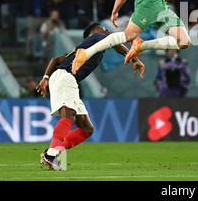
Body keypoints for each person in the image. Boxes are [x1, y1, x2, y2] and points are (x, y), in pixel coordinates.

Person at [36, 22, 145, 170]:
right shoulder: (96, 36)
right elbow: (114, 41)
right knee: (68, 117)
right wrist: (134, 58)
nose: (105, 30)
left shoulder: (80, 50)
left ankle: (54, 153)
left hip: (65, 78)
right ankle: (51, 154)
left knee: (87, 129)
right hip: (65, 77)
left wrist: (46, 77)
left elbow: (55, 60)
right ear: (93, 32)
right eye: (103, 28)